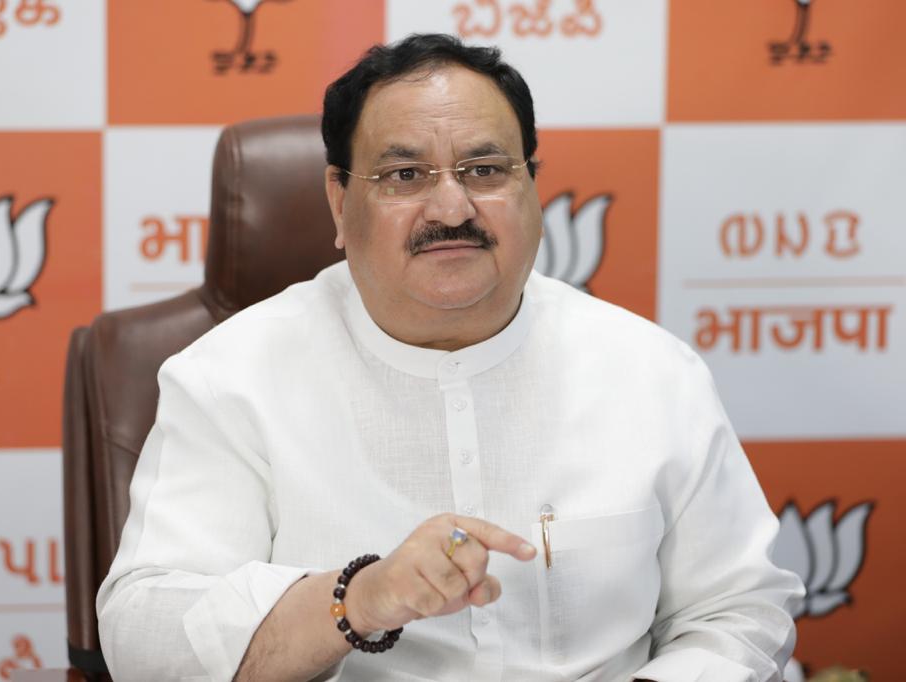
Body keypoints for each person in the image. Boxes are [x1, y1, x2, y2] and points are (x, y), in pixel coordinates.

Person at [96, 33, 804, 682]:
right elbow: (145, 636)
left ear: (532, 187)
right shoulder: (232, 379)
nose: (453, 207)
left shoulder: (649, 371)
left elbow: (740, 608)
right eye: (404, 176)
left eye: (486, 169)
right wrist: (357, 600)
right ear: (339, 203)